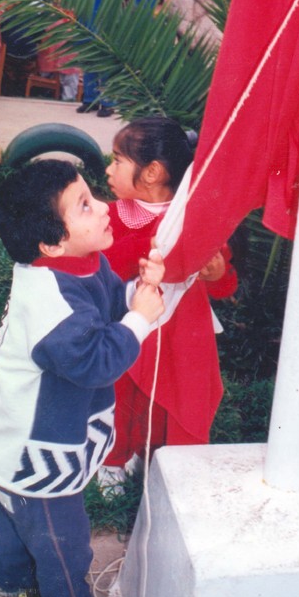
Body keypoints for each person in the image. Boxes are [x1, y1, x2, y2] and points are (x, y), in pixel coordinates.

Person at [0, 159, 165, 597]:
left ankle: (4, 593)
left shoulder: (81, 263)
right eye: (84, 205)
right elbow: (95, 360)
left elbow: (100, 304)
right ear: (52, 242)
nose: (103, 207)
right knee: (65, 549)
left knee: (18, 532)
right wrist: (140, 319)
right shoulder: (48, 303)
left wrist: (133, 295)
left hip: (21, 446)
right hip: (35, 458)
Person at [99, 116, 238, 490]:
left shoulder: (191, 220)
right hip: (131, 325)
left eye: (117, 160)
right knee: (122, 394)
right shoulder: (109, 217)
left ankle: (166, 463)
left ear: (152, 172)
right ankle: (114, 459)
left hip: (181, 336)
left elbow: (223, 283)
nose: (108, 169)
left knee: (174, 399)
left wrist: (216, 271)